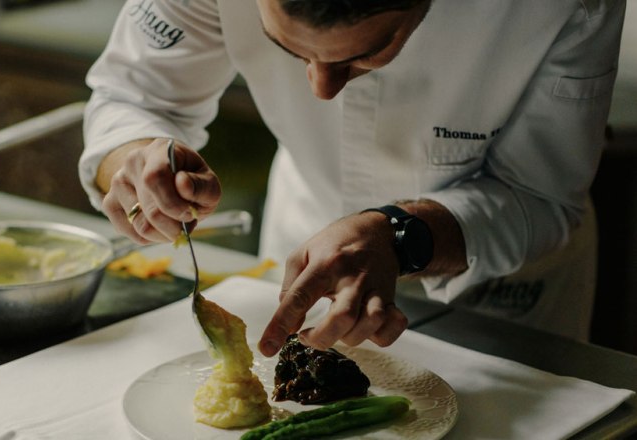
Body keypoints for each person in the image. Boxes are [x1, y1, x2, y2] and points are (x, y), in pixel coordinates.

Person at [79, 0, 626, 357]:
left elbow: (539, 193)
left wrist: (399, 235)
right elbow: (136, 95)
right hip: (303, 241)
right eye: (288, 49)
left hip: (502, 295)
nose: (322, 89)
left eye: (366, 53)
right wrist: (136, 156)